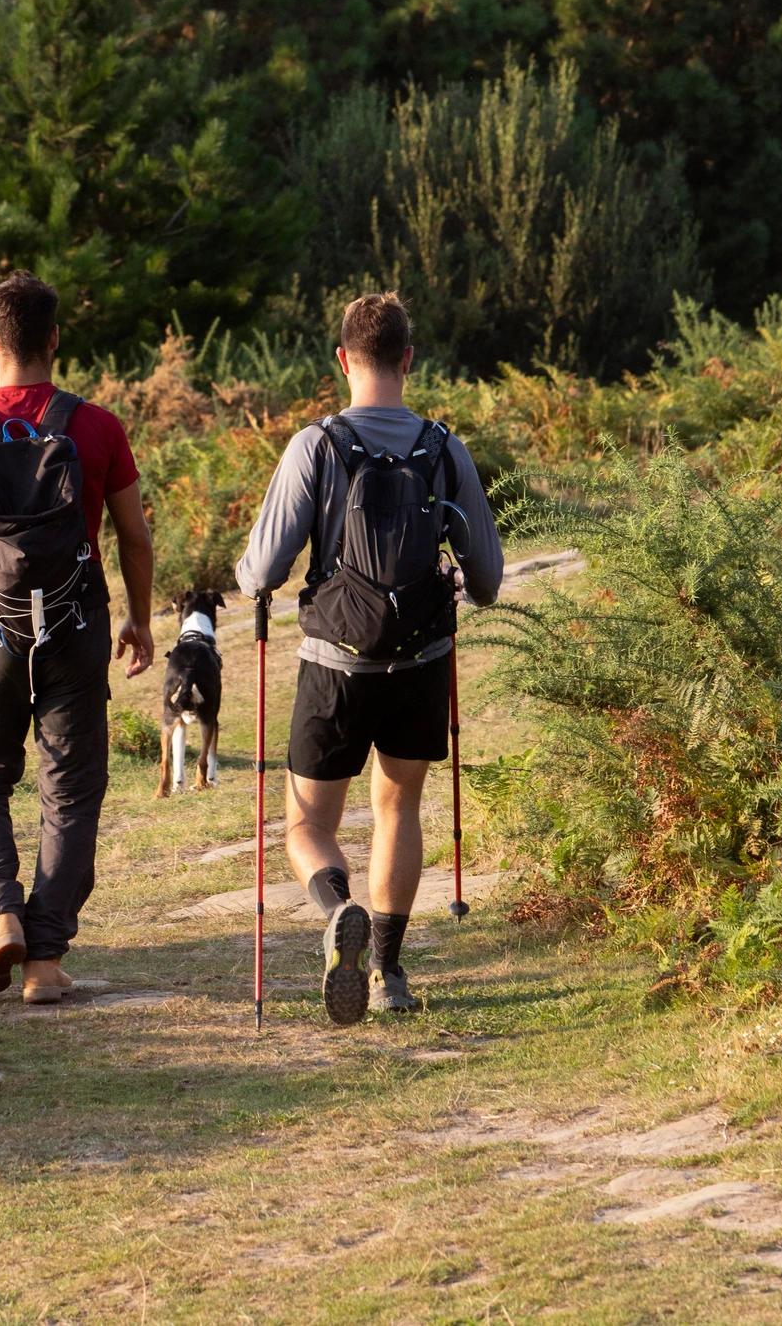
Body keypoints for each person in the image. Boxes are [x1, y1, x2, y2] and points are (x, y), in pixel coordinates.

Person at [236, 291, 503, 1023]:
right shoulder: (444, 448)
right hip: (419, 659)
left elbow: (259, 573)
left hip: (333, 663)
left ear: (341, 360)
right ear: (407, 360)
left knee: (307, 827)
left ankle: (335, 911)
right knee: (397, 808)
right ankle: (386, 971)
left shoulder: (314, 446)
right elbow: (486, 578)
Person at [0, 272, 156, 1004]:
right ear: (54, 339)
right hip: (77, 625)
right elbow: (133, 537)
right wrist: (138, 619)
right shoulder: (96, 426)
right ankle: (44, 963)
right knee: (72, 788)